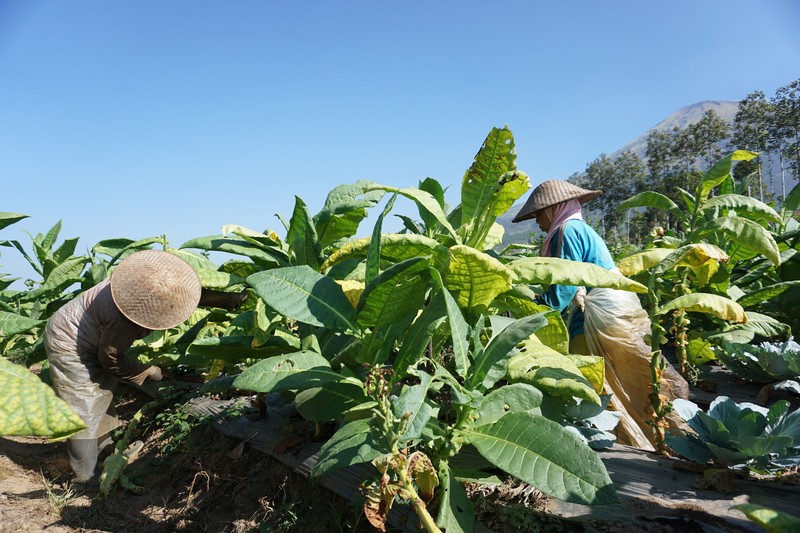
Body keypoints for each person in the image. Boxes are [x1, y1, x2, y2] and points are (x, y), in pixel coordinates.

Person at [44, 249, 245, 487]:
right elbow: (111, 358)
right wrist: (147, 371)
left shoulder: (139, 281)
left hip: (89, 335)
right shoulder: (121, 316)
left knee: (101, 392)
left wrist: (231, 300)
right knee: (83, 404)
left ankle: (104, 453)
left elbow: (186, 295)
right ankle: (85, 477)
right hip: (69, 342)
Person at [513, 180, 688, 450]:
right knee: (627, 372)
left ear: (553, 209)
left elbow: (565, 283)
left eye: (538, 213)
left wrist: (533, 314)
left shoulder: (567, 231)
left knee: (594, 371)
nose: (537, 221)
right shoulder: (578, 228)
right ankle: (651, 433)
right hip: (614, 304)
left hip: (602, 311)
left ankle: (634, 435)